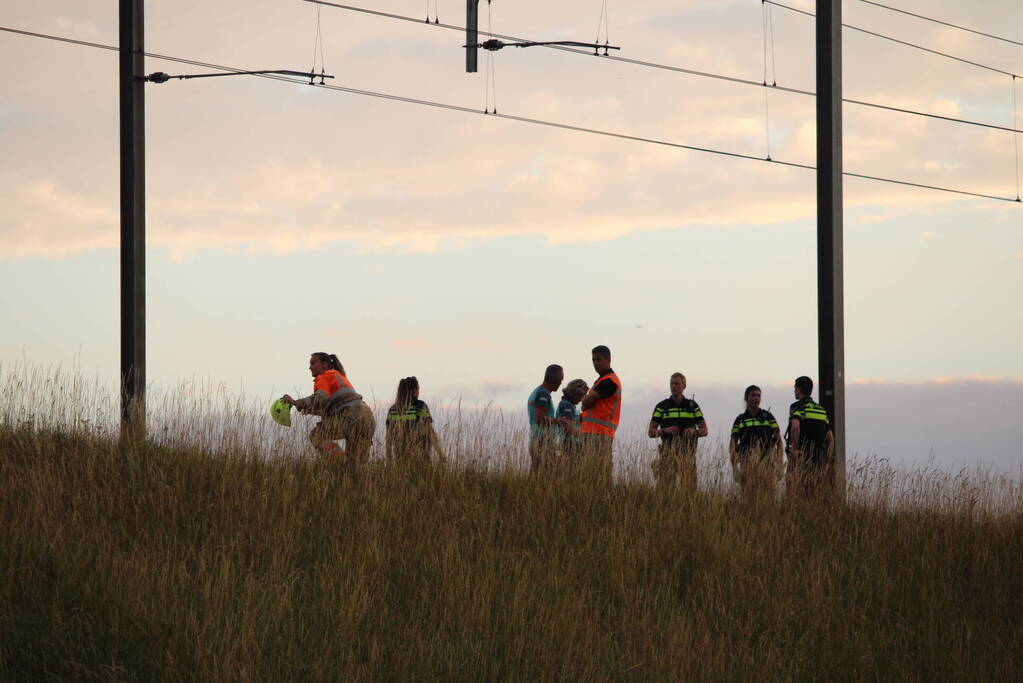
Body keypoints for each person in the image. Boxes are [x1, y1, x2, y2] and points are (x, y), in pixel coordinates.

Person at [281, 352, 376, 467]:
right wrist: (308, 409)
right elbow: (334, 407)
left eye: (313, 363)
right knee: (356, 467)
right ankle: (353, 476)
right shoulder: (339, 377)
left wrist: (296, 403)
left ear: (324, 365)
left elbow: (320, 398)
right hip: (367, 419)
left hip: (350, 416)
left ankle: (341, 465)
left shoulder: (324, 376)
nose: (309, 367)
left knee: (316, 435)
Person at [648, 372, 707, 491]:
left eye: (677, 384)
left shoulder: (692, 406)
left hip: (688, 453)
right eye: (671, 384)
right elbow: (651, 432)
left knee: (689, 490)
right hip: (667, 453)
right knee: (666, 489)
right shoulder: (662, 406)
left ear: (684, 386)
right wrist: (665, 430)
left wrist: (693, 432)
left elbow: (704, 430)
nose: (673, 386)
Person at [729, 385, 784, 501]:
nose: (756, 398)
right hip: (747, 465)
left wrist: (779, 465)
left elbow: (779, 442)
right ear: (746, 398)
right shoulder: (740, 420)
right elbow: (732, 443)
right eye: (753, 395)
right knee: (748, 499)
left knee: (768, 499)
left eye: (758, 396)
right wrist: (735, 468)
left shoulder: (768, 417)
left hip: (767, 465)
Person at [785, 375, 835, 498]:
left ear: (799, 389)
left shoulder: (797, 406)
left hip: (801, 455)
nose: (794, 391)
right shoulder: (821, 410)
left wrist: (795, 448)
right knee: (814, 491)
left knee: (793, 488)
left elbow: (795, 426)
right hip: (818, 458)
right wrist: (827, 460)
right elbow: (830, 439)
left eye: (795, 388)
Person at [580, 346, 621, 485]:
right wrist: (587, 402)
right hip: (593, 433)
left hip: (600, 434)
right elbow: (586, 403)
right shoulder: (600, 380)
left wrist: (586, 401)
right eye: (593, 360)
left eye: (598, 359)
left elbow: (586, 401)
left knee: (600, 475)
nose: (595, 363)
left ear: (608, 359)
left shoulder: (609, 381)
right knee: (591, 476)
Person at [385, 376, 446, 468]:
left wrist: (388, 459)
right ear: (414, 390)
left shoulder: (393, 410)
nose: (419, 391)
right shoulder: (420, 406)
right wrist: (440, 453)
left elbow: (388, 438)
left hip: (400, 458)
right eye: (418, 389)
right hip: (420, 456)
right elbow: (429, 431)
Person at [527, 364, 564, 475]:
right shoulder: (543, 394)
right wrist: (558, 421)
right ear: (555, 379)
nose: (561, 383)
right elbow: (539, 418)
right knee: (545, 476)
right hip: (542, 441)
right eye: (561, 379)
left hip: (536, 438)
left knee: (536, 474)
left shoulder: (536, 391)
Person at [557, 378, 588, 461]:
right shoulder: (567, 406)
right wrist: (587, 435)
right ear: (575, 393)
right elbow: (567, 429)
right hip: (571, 445)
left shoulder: (568, 405)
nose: (581, 399)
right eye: (581, 396)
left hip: (571, 444)